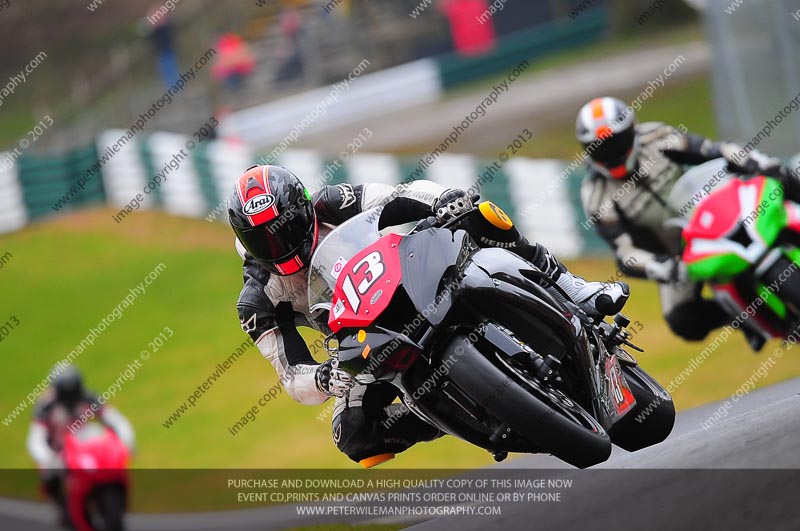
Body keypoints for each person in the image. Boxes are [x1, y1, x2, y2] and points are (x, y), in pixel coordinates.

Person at [229, 164, 629, 467]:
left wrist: (442, 200)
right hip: (366, 338)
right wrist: (323, 377)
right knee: (352, 436)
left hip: (413, 272)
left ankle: (571, 285)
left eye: (283, 227)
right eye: (263, 239)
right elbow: (289, 374)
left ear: (302, 206)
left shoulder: (335, 200)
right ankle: (457, 411)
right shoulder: (257, 300)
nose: (279, 243)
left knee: (481, 214)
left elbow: (401, 194)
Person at [576, 96, 784, 346]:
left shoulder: (655, 136)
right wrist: (663, 267)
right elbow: (625, 253)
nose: (611, 154)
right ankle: (744, 317)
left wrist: (755, 162)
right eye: (600, 148)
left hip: (719, 213)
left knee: (784, 177)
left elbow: (713, 150)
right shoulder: (595, 193)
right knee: (681, 319)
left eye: (615, 143)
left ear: (631, 131)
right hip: (680, 255)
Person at [27, 366, 134, 529]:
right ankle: (64, 512)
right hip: (58, 454)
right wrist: (48, 458)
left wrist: (126, 442)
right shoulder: (46, 406)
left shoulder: (88, 397)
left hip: (85, 449)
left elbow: (115, 419)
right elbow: (35, 439)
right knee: (49, 478)